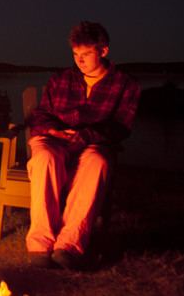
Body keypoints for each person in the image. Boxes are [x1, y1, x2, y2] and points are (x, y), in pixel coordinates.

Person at [27, 22, 140, 270]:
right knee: (44, 157)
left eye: (86, 54)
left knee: (97, 162)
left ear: (103, 51)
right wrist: (54, 131)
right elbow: (41, 114)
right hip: (56, 138)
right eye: (76, 55)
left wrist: (88, 135)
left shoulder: (125, 84)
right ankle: (40, 244)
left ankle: (68, 245)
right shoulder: (60, 79)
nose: (80, 61)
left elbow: (121, 125)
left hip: (94, 142)